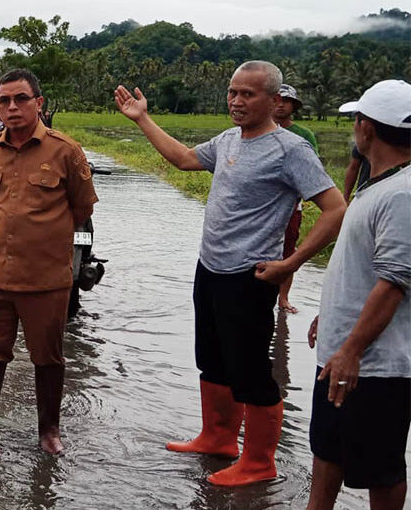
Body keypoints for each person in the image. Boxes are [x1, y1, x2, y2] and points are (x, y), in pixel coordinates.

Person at [114, 61, 346, 486]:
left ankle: (259, 462)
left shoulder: (291, 149)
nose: (237, 102)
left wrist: (290, 263)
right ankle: (218, 438)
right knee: (213, 360)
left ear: (275, 101)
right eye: (232, 92)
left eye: (248, 94)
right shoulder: (228, 141)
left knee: (251, 370)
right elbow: (184, 159)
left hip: (250, 276)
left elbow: (336, 209)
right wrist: (142, 118)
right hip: (211, 268)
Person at [0, 69, 98, 456]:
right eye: (5, 100)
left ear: (38, 103)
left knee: (49, 357)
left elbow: (81, 208)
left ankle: (49, 431)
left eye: (21, 99)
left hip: (46, 279)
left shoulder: (65, 151)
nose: (12, 107)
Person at [305, 79, 411, 510]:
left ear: (368, 127)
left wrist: (352, 349)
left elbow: (394, 283)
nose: (354, 128)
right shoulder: (380, 184)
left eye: (356, 120)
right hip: (344, 355)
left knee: (381, 471)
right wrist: (328, 317)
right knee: (327, 450)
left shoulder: (403, 195)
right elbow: (362, 269)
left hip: (375, 368)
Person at [274, 84, 319, 314]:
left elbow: (312, 172)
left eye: (286, 101)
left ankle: (283, 297)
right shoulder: (254, 129)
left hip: (292, 205)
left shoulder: (304, 135)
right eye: (278, 99)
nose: (281, 104)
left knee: (287, 251)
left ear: (294, 106)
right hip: (262, 206)